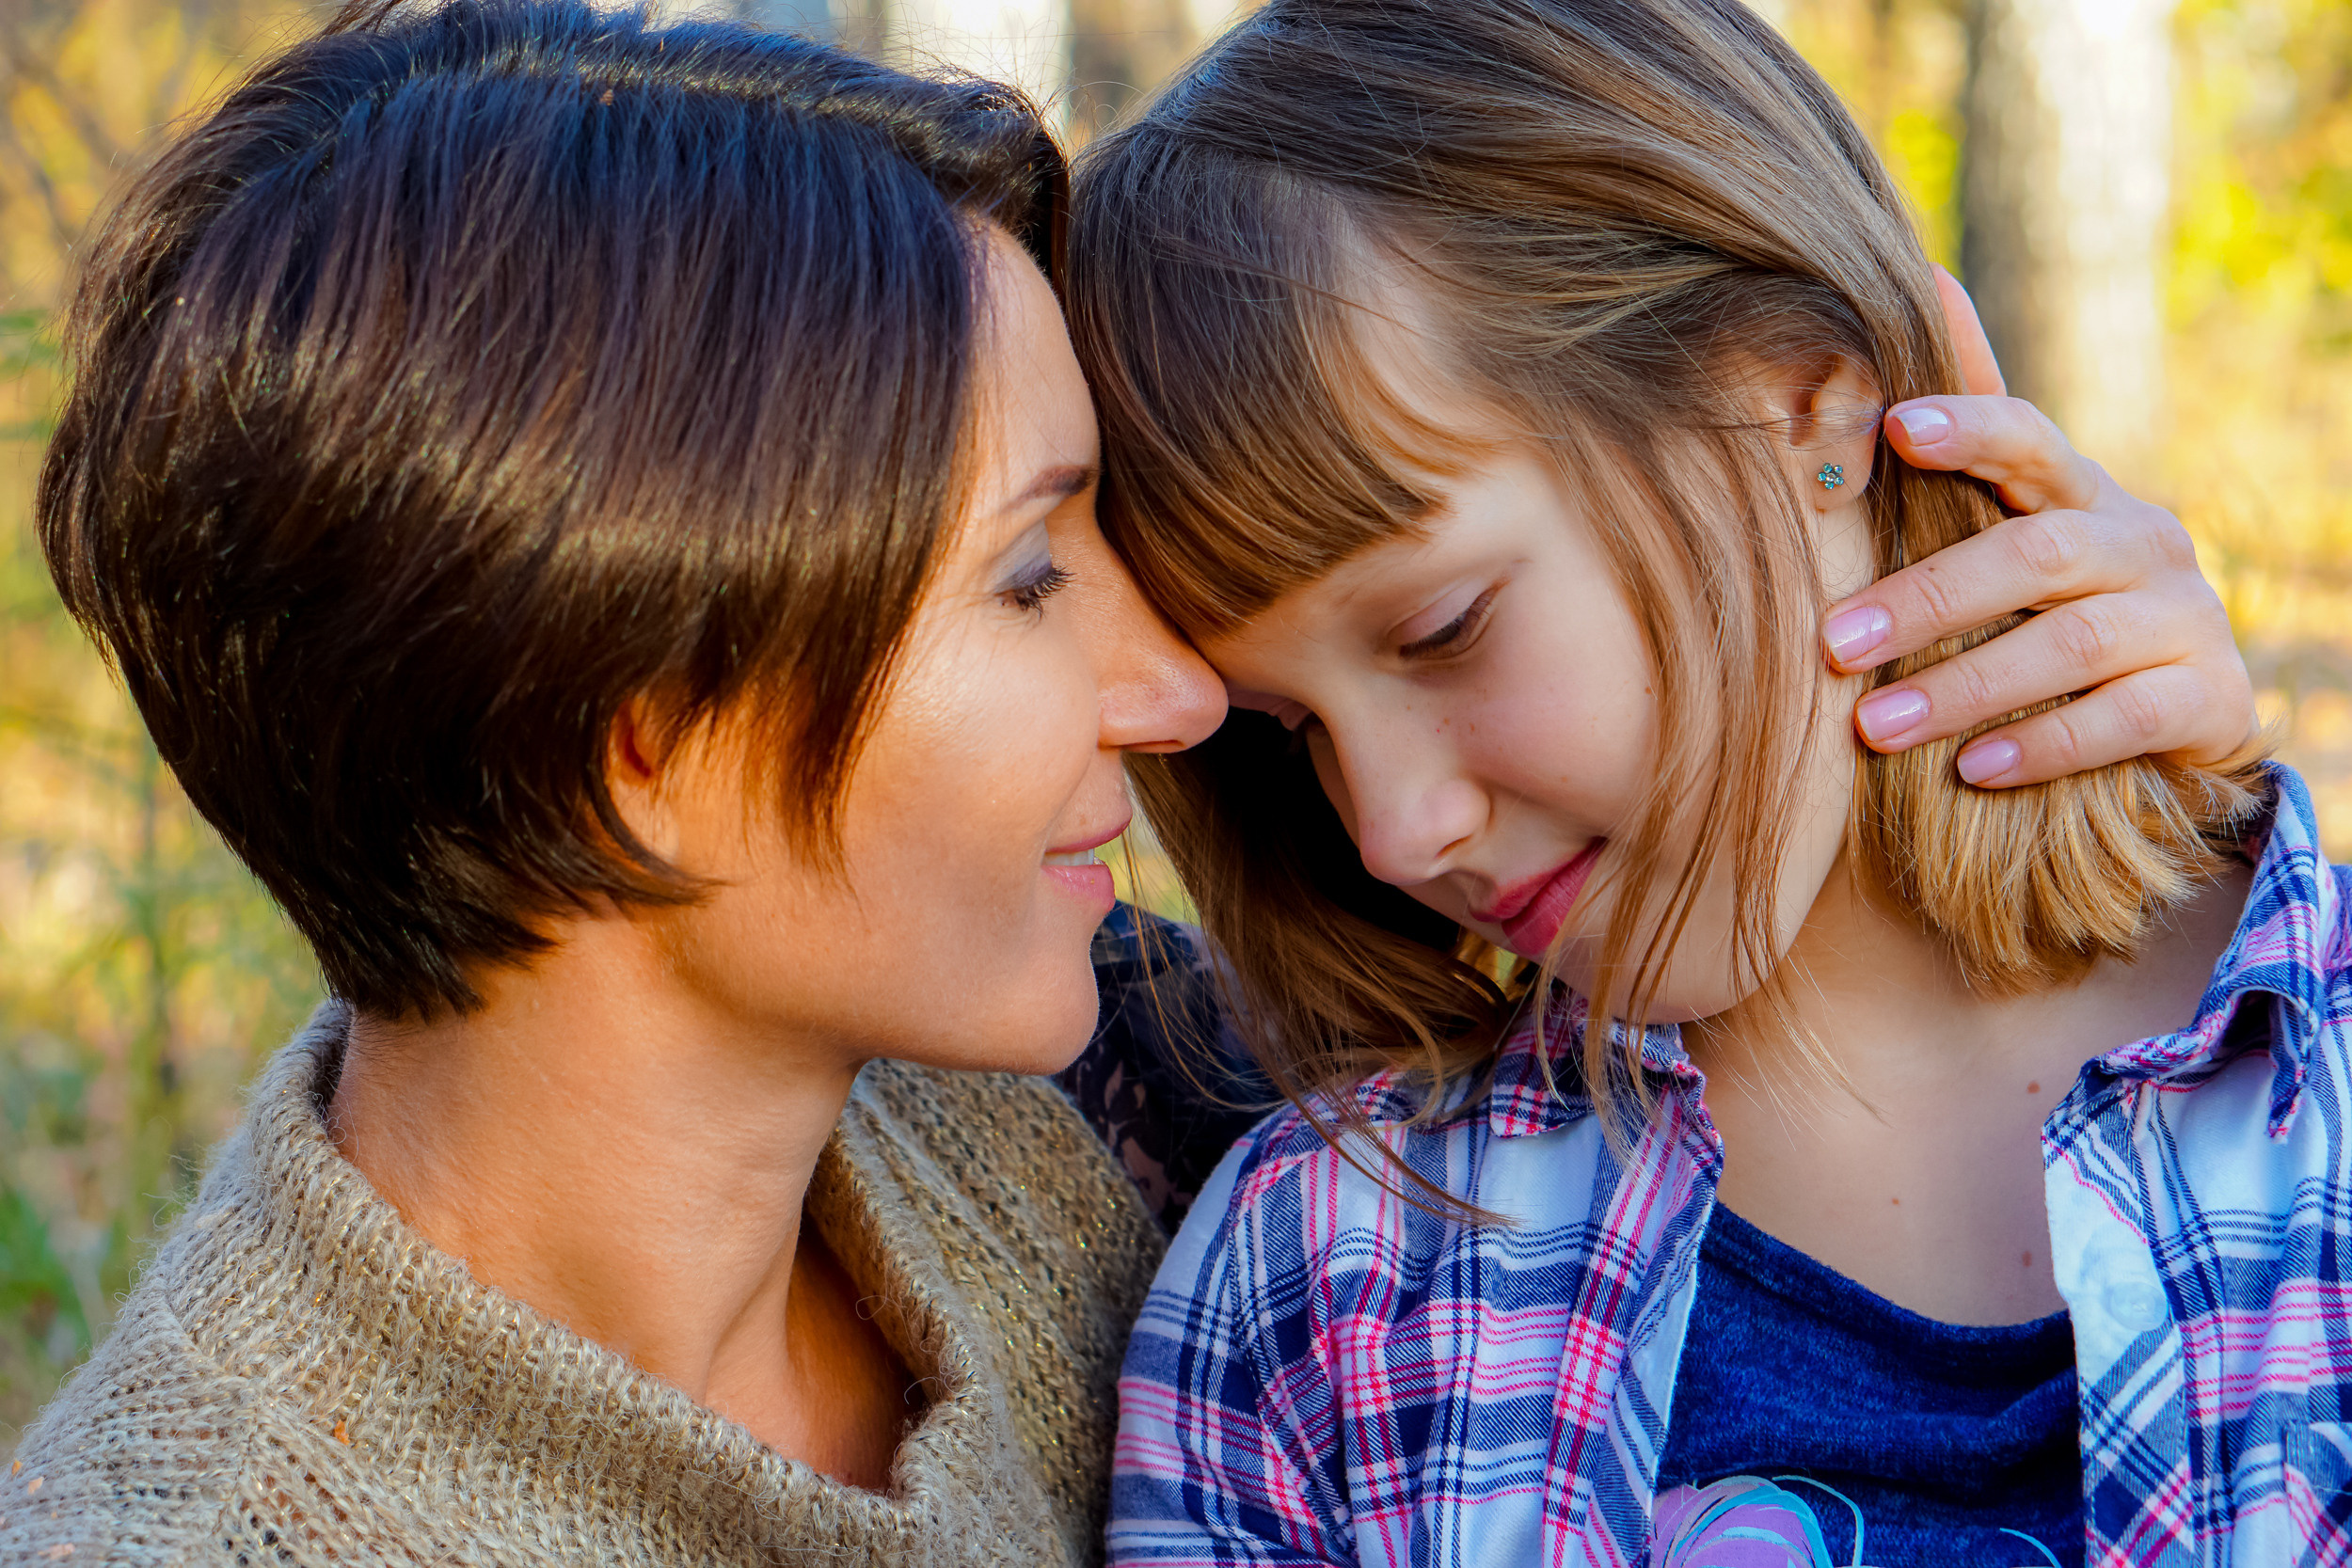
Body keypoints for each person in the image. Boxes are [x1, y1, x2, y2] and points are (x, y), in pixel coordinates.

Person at [0, 0, 2269, 1562]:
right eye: (1025, 579)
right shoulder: (193, 1528)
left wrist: (2151, 764)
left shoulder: (1110, 1117)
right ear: (646, 745)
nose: (1179, 696)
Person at [1070, 0, 2346, 1562]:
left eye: (1441, 627)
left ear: (1804, 405)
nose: (1397, 831)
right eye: (1291, 731)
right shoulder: (1321, 1286)